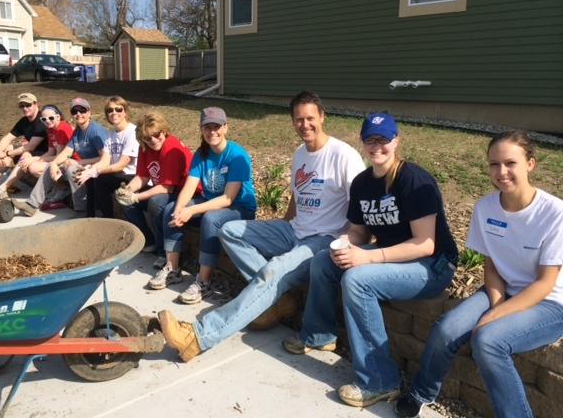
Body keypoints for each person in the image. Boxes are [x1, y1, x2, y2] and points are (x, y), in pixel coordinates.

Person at [157, 91, 365, 361]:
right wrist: (283, 225)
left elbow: (361, 207)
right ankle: (277, 299)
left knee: (272, 271)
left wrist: (351, 241)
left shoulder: (344, 156)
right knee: (229, 231)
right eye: (299, 119)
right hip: (294, 230)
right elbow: (297, 197)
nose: (305, 125)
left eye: (310, 118)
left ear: (322, 117)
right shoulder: (300, 154)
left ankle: (198, 336)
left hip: (324, 239)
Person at [282, 112, 458, 409]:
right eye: (370, 140)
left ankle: (380, 379)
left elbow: (425, 244)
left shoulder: (412, 179)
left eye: (383, 139)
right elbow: (359, 232)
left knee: (357, 280)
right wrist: (344, 245)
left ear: (395, 141)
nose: (376, 146)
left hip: (433, 265)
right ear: (362, 142)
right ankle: (318, 334)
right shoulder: (362, 183)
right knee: (324, 261)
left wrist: (368, 256)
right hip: (394, 258)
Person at [395, 131, 563, 418]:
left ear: (530, 164)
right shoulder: (485, 207)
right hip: (502, 289)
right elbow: (493, 267)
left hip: (548, 303)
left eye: (510, 163)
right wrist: (497, 306)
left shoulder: (554, 213)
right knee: (446, 329)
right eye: (494, 164)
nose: (501, 172)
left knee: (488, 341)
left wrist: (496, 316)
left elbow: (545, 283)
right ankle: (421, 392)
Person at [148, 107, 256, 305]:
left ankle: (203, 282)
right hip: (211, 202)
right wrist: (180, 209)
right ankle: (172, 269)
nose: (212, 131)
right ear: (201, 129)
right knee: (171, 208)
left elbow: (227, 199)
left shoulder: (236, 155)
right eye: (207, 127)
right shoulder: (201, 154)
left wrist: (191, 210)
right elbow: (189, 188)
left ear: (226, 128)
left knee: (211, 218)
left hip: (239, 208)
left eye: (216, 126)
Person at [115, 112, 195, 265]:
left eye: (156, 134)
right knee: (127, 202)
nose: (153, 140)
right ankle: (148, 241)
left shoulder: (170, 148)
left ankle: (163, 253)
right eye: (147, 137)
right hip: (166, 189)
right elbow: (143, 176)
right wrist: (128, 190)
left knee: (156, 202)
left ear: (164, 131)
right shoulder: (145, 147)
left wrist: (136, 197)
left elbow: (167, 187)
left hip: (185, 193)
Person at [11, 98, 107, 217]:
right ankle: (31, 205)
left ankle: (82, 210)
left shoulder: (96, 131)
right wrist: (54, 163)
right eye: (74, 111)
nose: (78, 114)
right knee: (50, 166)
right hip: (82, 163)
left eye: (82, 110)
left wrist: (77, 162)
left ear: (89, 112)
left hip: (97, 167)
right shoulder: (78, 131)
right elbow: (66, 152)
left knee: (73, 170)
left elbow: (104, 158)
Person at [0, 104, 75, 203]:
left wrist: (33, 159)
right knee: (30, 162)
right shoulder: (51, 129)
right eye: (44, 119)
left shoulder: (62, 129)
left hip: (70, 161)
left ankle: (63, 188)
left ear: (58, 117)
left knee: (33, 166)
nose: (47, 121)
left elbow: (59, 157)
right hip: (58, 159)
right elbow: (50, 152)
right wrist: (33, 160)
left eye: (51, 118)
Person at [76, 96, 138, 218]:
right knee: (92, 178)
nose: (114, 113)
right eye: (110, 110)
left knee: (101, 180)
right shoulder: (110, 135)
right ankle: (91, 216)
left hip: (133, 176)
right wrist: (89, 169)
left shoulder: (133, 132)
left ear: (125, 112)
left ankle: (108, 218)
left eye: (118, 109)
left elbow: (121, 165)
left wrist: (95, 171)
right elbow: (104, 161)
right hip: (117, 175)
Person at [0, 92, 48, 201]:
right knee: (9, 147)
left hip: (46, 154)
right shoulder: (24, 121)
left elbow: (31, 146)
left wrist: (6, 153)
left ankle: (3, 188)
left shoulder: (42, 120)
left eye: (28, 105)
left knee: (23, 154)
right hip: (33, 152)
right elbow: (7, 138)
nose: (25, 108)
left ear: (36, 105)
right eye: (22, 106)